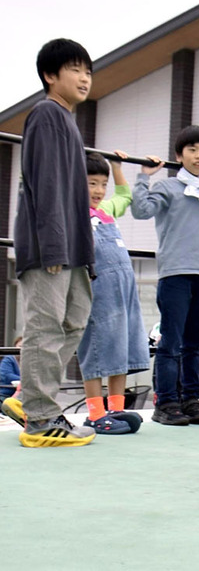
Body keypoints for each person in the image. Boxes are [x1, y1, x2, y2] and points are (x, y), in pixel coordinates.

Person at [2, 38, 96, 447]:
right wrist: (55, 247)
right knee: (45, 325)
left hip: (72, 246)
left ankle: (31, 398)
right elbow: (46, 185)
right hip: (49, 247)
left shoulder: (67, 121)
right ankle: (40, 419)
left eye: (88, 71)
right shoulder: (45, 115)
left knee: (75, 320)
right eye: (75, 69)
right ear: (50, 75)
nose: (84, 78)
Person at [132, 125, 199, 426]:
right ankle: (167, 404)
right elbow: (141, 211)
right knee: (170, 342)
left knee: (193, 344)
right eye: (192, 150)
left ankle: (191, 400)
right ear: (179, 155)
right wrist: (143, 177)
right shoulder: (168, 187)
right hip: (174, 273)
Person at [77, 151, 149, 435]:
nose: (98, 190)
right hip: (97, 292)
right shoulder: (74, 215)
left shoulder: (107, 210)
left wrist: (117, 167)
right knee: (95, 350)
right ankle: (96, 413)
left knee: (122, 348)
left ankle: (116, 409)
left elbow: (124, 195)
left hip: (123, 293)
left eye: (102, 184)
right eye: (91, 183)